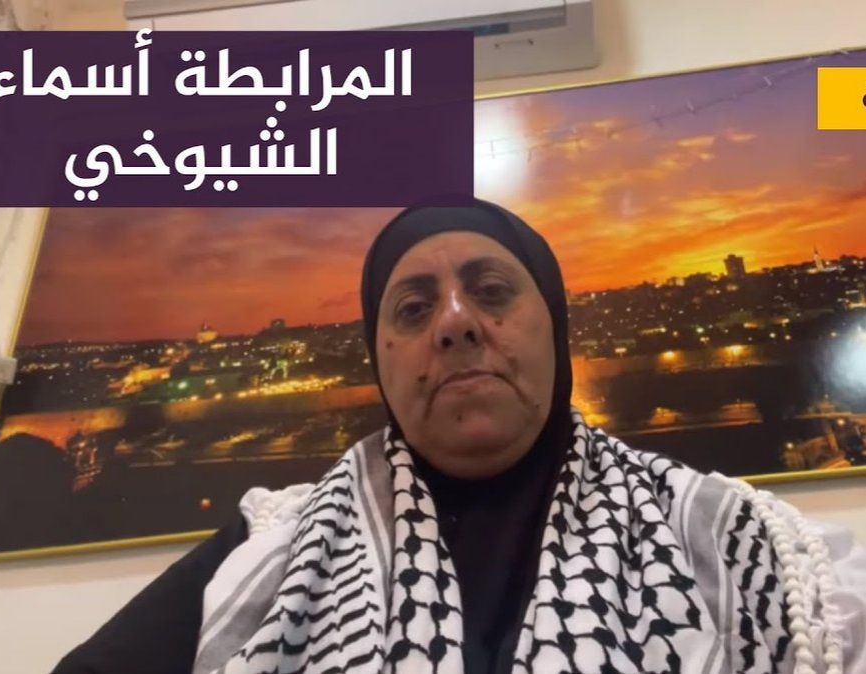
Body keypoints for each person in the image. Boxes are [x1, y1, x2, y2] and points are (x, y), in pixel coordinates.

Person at [53, 199, 866, 674]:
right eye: (412, 308)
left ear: (554, 329)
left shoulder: (745, 546)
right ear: (381, 360)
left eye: (492, 291)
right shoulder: (270, 545)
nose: (453, 323)